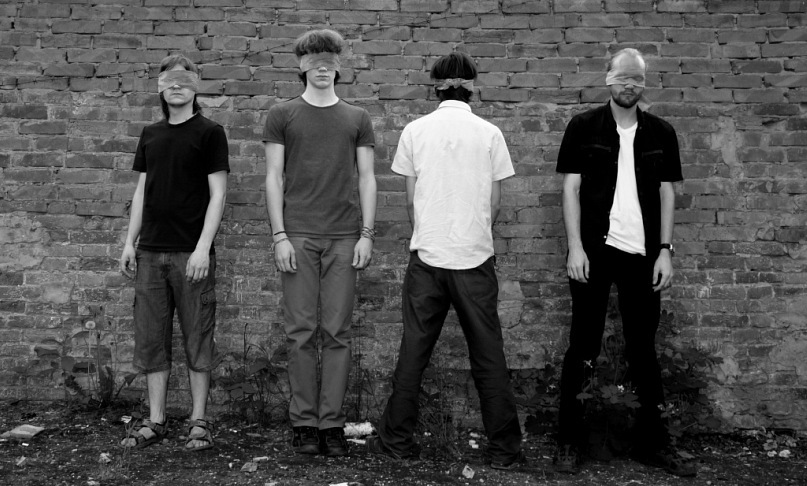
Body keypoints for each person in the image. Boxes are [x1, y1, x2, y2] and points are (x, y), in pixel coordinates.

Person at [367, 52, 523, 469]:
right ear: (472, 87)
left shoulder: (415, 131)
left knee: (414, 352)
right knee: (488, 354)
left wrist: (429, 234)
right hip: (474, 257)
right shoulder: (490, 133)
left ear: (434, 87)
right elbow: (494, 203)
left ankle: (396, 443)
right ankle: (504, 450)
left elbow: (411, 202)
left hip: (428, 257)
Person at [554, 48, 695, 477]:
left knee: (643, 349)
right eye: (623, 77)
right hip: (594, 252)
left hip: (643, 255)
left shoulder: (661, 132)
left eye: (637, 78)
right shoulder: (583, 126)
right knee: (583, 345)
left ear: (644, 83)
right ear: (608, 78)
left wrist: (665, 250)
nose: (630, 85)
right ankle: (568, 440)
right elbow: (570, 189)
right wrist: (575, 247)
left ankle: (655, 442)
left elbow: (668, 193)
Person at [263, 29, 377, 457]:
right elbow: (273, 178)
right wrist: (279, 235)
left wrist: (367, 233)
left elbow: (367, 179)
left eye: (330, 59)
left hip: (345, 237)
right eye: (314, 60)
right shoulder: (282, 114)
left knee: (337, 332)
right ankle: (303, 423)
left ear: (339, 66)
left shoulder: (357, 117)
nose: (323, 67)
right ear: (302, 66)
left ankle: (331, 424)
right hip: (298, 236)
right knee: (300, 333)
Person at [119, 54, 229, 451]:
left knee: (198, 338)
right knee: (152, 340)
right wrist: (129, 242)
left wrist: (202, 248)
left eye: (185, 79)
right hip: (150, 253)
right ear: (160, 88)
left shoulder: (210, 132)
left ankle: (199, 420)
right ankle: (156, 420)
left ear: (196, 86)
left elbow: (218, 194)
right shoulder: (150, 134)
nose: (177, 86)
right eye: (169, 80)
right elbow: (141, 192)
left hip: (191, 254)